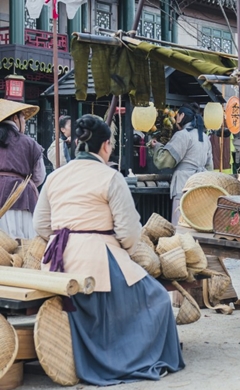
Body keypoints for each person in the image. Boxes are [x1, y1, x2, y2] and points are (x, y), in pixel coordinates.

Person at [33, 114, 184, 385]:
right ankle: (121, 357)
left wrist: (62, 239)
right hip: (97, 260)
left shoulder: (55, 176)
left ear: (78, 144)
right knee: (158, 299)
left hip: (57, 262)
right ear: (105, 146)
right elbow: (129, 232)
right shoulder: (110, 177)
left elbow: (40, 224)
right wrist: (121, 248)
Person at [149, 104, 213, 225]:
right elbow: (209, 167)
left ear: (181, 116)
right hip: (201, 186)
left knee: (181, 225)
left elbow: (164, 160)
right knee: (196, 224)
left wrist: (156, 146)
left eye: (177, 115)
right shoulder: (205, 138)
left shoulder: (183, 135)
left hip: (184, 185)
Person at [0, 99, 46, 239]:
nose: (25, 123)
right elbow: (39, 176)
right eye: (24, 119)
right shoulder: (29, 142)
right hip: (22, 197)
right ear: (15, 118)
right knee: (23, 244)